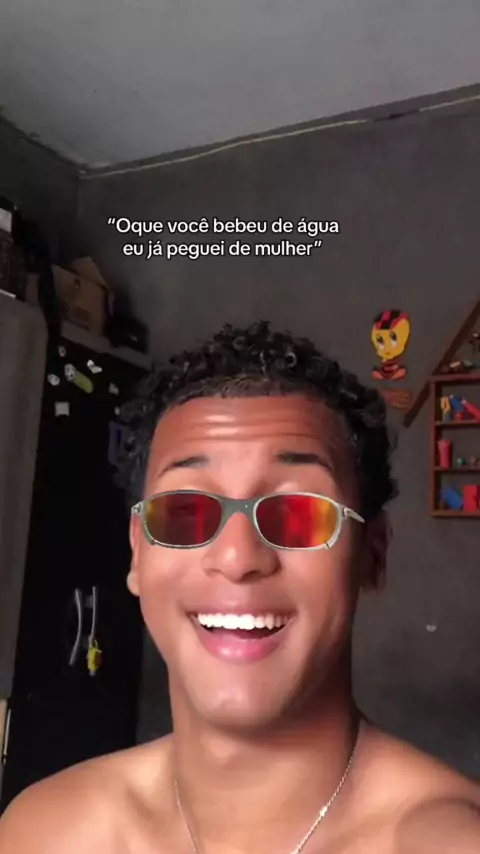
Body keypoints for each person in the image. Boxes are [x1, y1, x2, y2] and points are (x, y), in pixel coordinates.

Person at [0, 320, 479, 853]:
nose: (237, 558)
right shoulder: (45, 832)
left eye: (298, 512)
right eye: (185, 511)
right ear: (137, 551)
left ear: (373, 554)